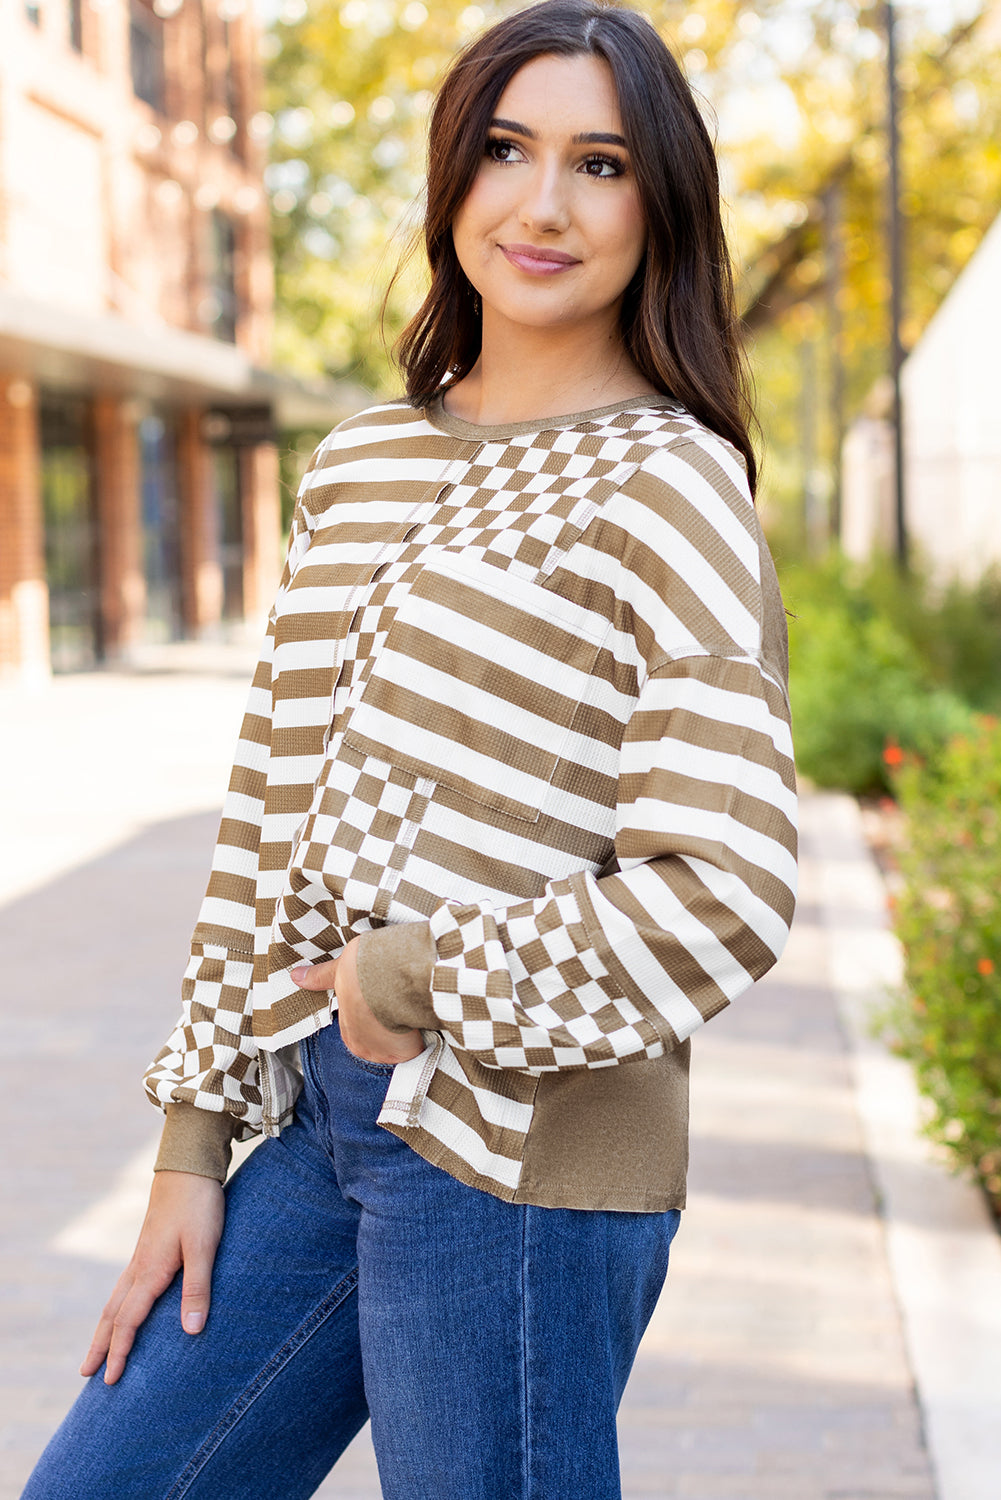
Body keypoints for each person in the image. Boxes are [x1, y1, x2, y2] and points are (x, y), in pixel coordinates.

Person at [23, 2, 796, 1496]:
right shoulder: (365, 460)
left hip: (524, 1158)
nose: (543, 204)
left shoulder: (673, 485)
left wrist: (415, 979)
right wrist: (191, 1140)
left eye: (601, 164)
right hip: (322, 1118)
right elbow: (267, 813)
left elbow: (725, 887)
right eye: (506, 150)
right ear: (453, 175)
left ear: (660, 208)